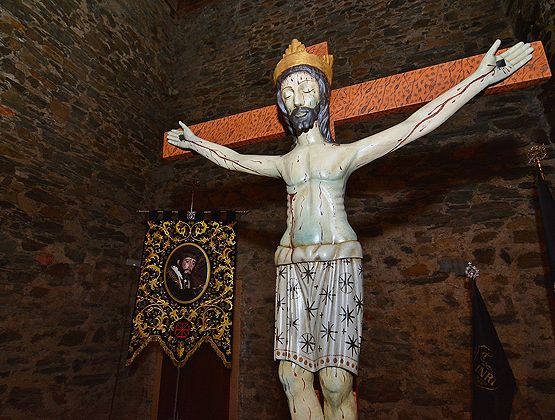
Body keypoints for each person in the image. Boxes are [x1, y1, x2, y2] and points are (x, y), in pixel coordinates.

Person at [167, 39, 533, 420]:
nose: (297, 100)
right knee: (291, 377)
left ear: (322, 95)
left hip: (337, 262)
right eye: (288, 94)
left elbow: (412, 127)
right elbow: (234, 159)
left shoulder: (343, 155)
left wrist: (479, 79)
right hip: (290, 267)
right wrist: (196, 143)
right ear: (281, 107)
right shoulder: (284, 164)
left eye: (306, 89)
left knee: (335, 383)